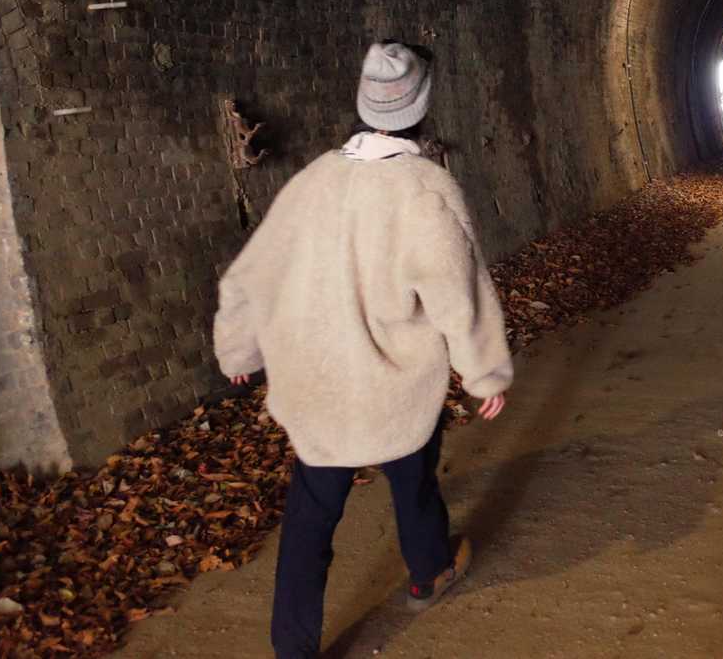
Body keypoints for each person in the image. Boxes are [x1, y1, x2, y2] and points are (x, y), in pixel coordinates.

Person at [213, 41, 514, 658]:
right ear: (422, 106)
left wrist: (239, 350)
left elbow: (252, 271)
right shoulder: (425, 189)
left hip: (318, 383)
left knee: (310, 518)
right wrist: (483, 372)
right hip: (395, 386)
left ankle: (294, 649)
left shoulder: (313, 181)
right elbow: (458, 293)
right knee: (413, 475)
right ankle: (429, 572)